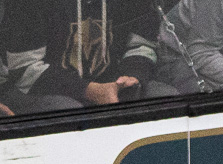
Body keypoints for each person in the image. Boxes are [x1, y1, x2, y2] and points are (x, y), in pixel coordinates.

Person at [0, 0, 168, 112]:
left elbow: (142, 45)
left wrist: (132, 76)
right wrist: (90, 91)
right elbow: (23, 70)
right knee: (69, 111)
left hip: (112, 84)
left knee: (163, 96)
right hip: (37, 90)